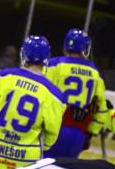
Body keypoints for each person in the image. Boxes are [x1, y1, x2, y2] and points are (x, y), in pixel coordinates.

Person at [0, 35, 66, 169]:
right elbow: (51, 135)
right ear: (47, 58)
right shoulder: (55, 95)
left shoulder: (1, 78)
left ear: (23, 54)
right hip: (26, 162)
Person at [44, 28, 108, 158]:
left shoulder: (54, 64)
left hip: (53, 128)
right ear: (86, 48)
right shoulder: (95, 72)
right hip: (78, 132)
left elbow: (42, 93)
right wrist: (91, 132)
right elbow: (102, 110)